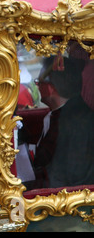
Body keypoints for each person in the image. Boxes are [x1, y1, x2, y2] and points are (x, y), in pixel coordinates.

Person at [27, 55, 94, 189]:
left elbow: (65, 177)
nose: (37, 86)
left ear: (50, 88)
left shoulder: (71, 121)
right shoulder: (63, 113)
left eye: (38, 82)